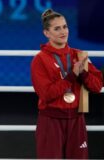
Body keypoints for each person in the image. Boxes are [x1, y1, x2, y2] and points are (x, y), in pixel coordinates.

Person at [31, 9, 103, 159]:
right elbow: (46, 94)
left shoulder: (80, 55)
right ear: (46, 33)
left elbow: (97, 87)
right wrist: (71, 76)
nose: (63, 31)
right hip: (51, 121)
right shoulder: (40, 60)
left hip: (77, 120)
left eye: (65, 27)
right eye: (57, 28)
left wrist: (83, 73)